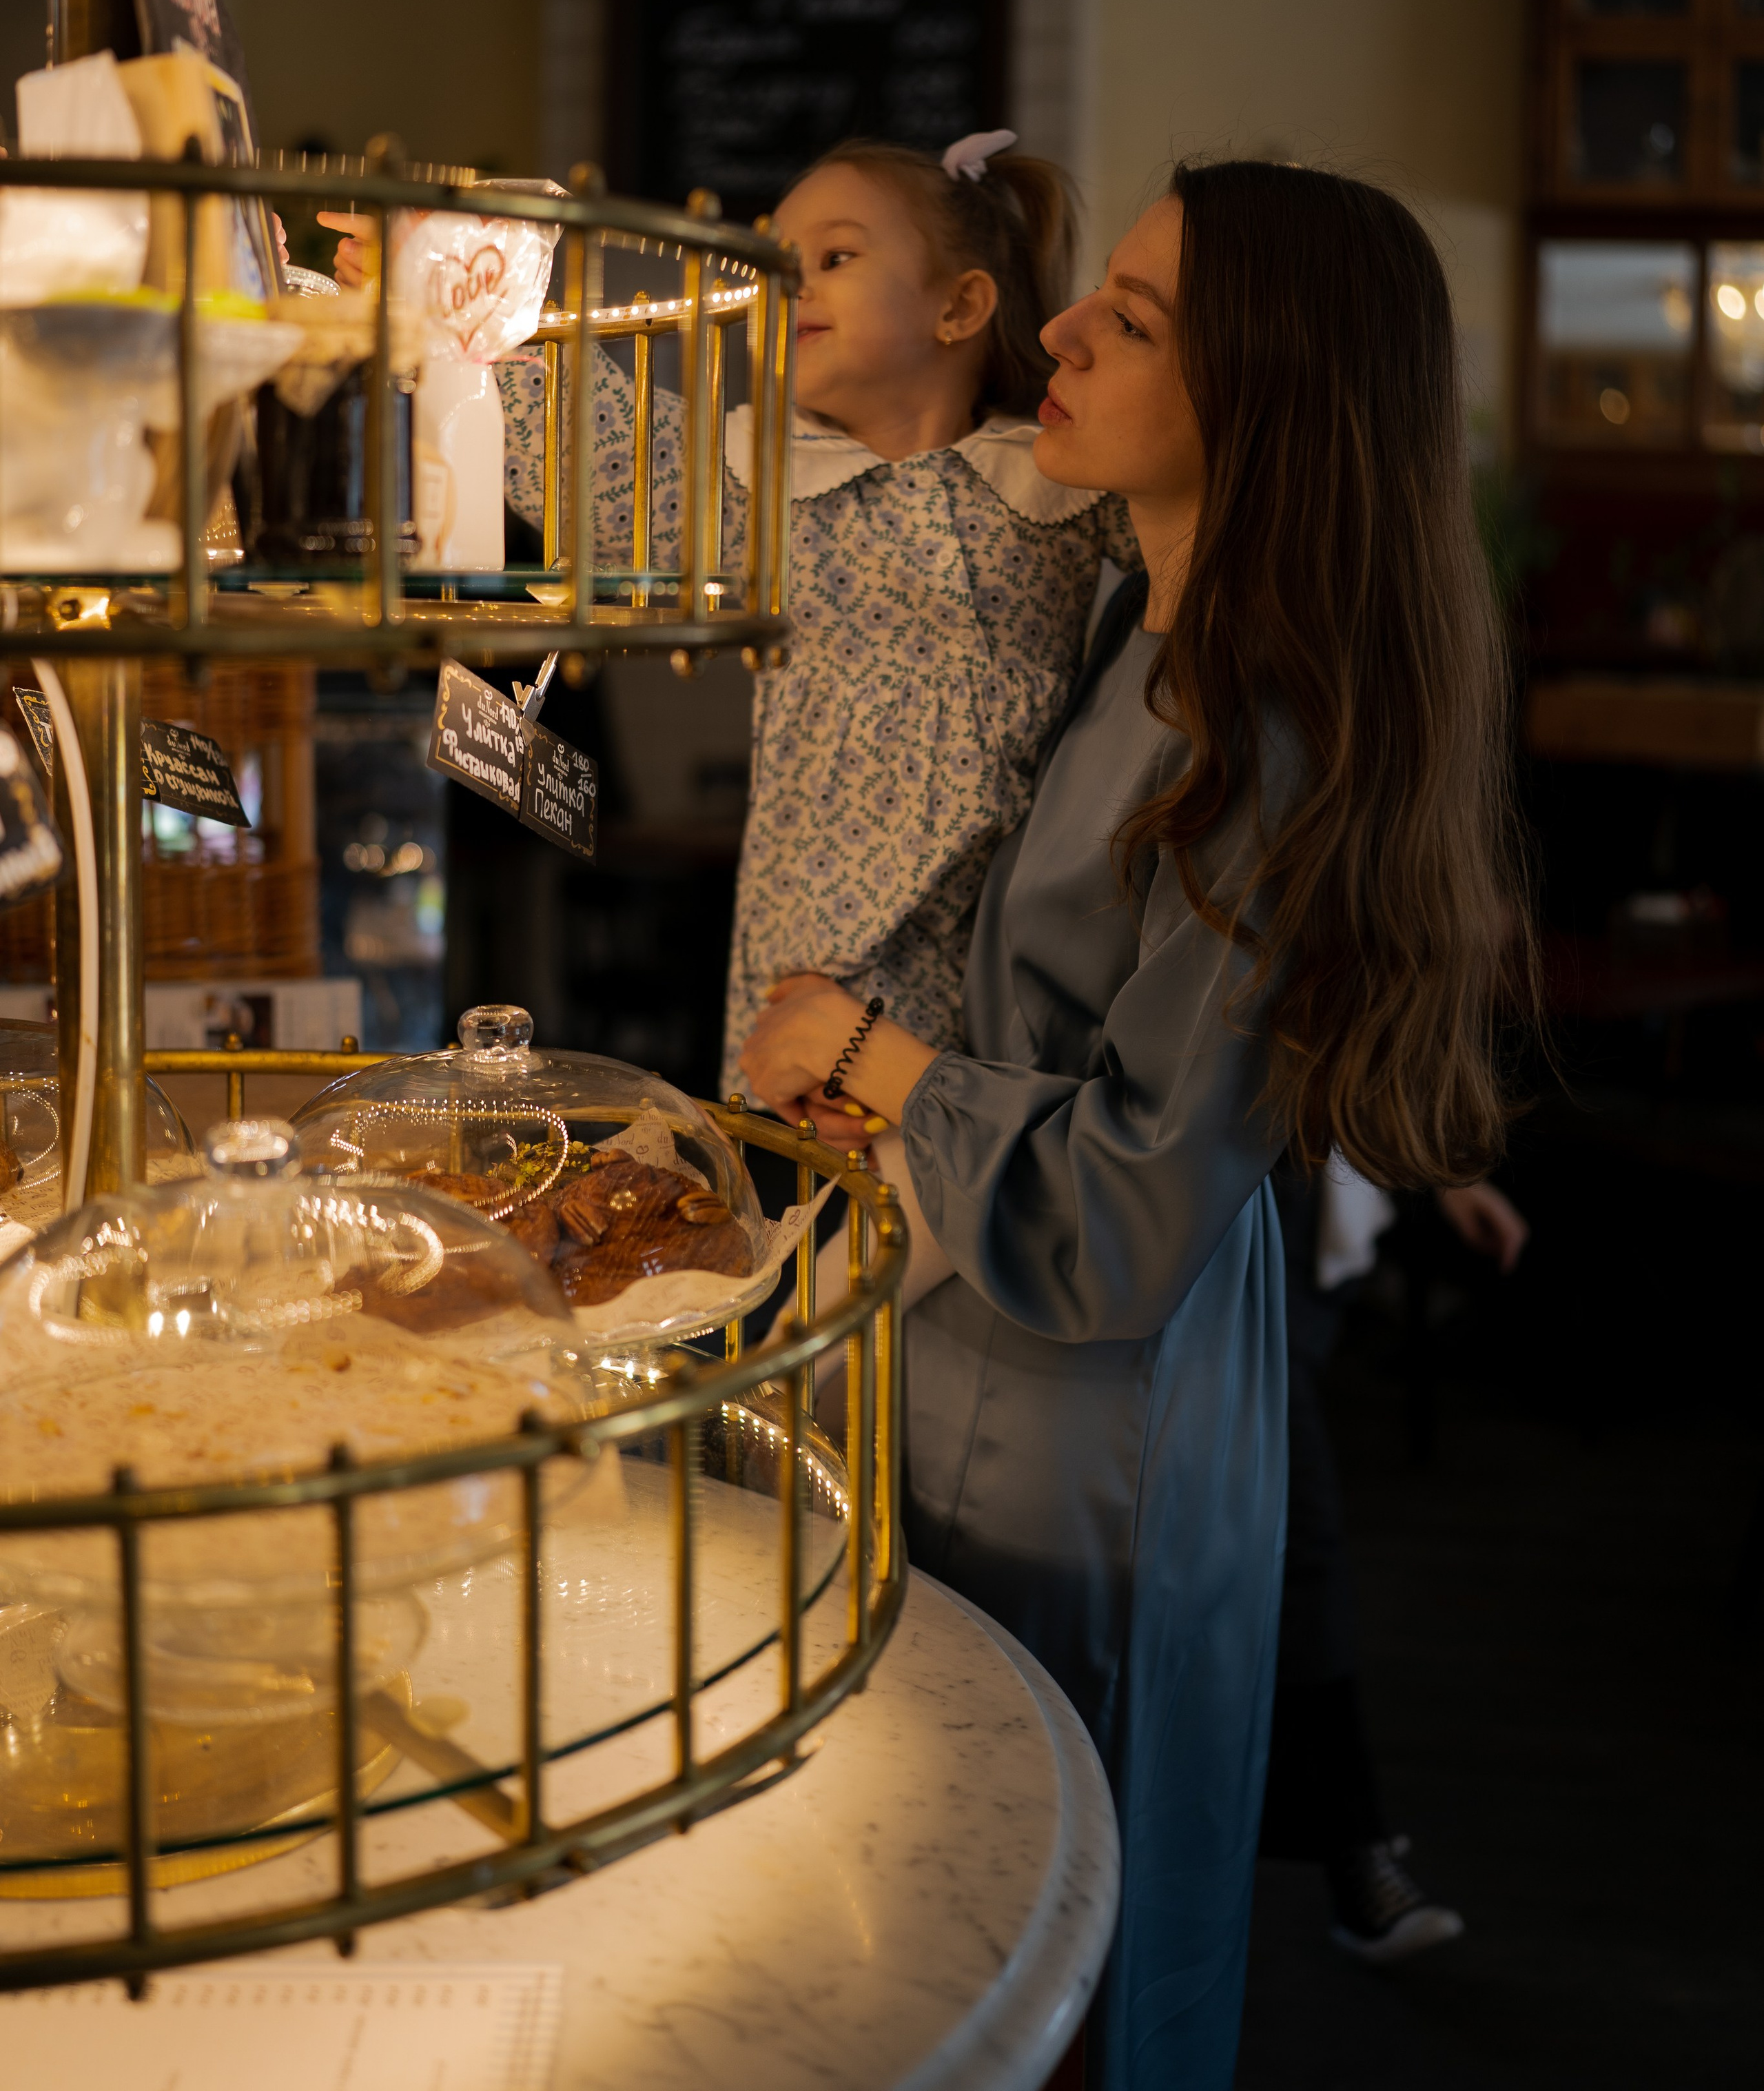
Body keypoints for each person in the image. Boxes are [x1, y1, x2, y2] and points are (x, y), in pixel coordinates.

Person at [739, 161, 1531, 2091]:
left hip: (1101, 1407)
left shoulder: (1268, 735)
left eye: (1137, 317)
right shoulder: (1133, 636)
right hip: (981, 1346)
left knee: (1049, 1883)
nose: (1059, 328)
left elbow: (1127, 1211)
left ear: (1269, 399)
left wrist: (870, 1057)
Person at [325, 137, 1140, 1105]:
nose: (790, 285)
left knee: (972, 1198)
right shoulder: (760, 485)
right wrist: (441, 292)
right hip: (811, 957)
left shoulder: (1053, 476)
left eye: (836, 258)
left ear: (960, 307)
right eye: (775, 264)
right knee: (817, 1217)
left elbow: (1212, 541)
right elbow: (600, 439)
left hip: (1009, 955)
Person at [1262, 1160, 1530, 1962]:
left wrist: (1441, 1174)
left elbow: (1342, 1039)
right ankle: (1354, 1853)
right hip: (1209, 1203)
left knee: (1291, 1547)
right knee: (1298, 1542)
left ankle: (1350, 1852)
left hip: (1297, 1222)